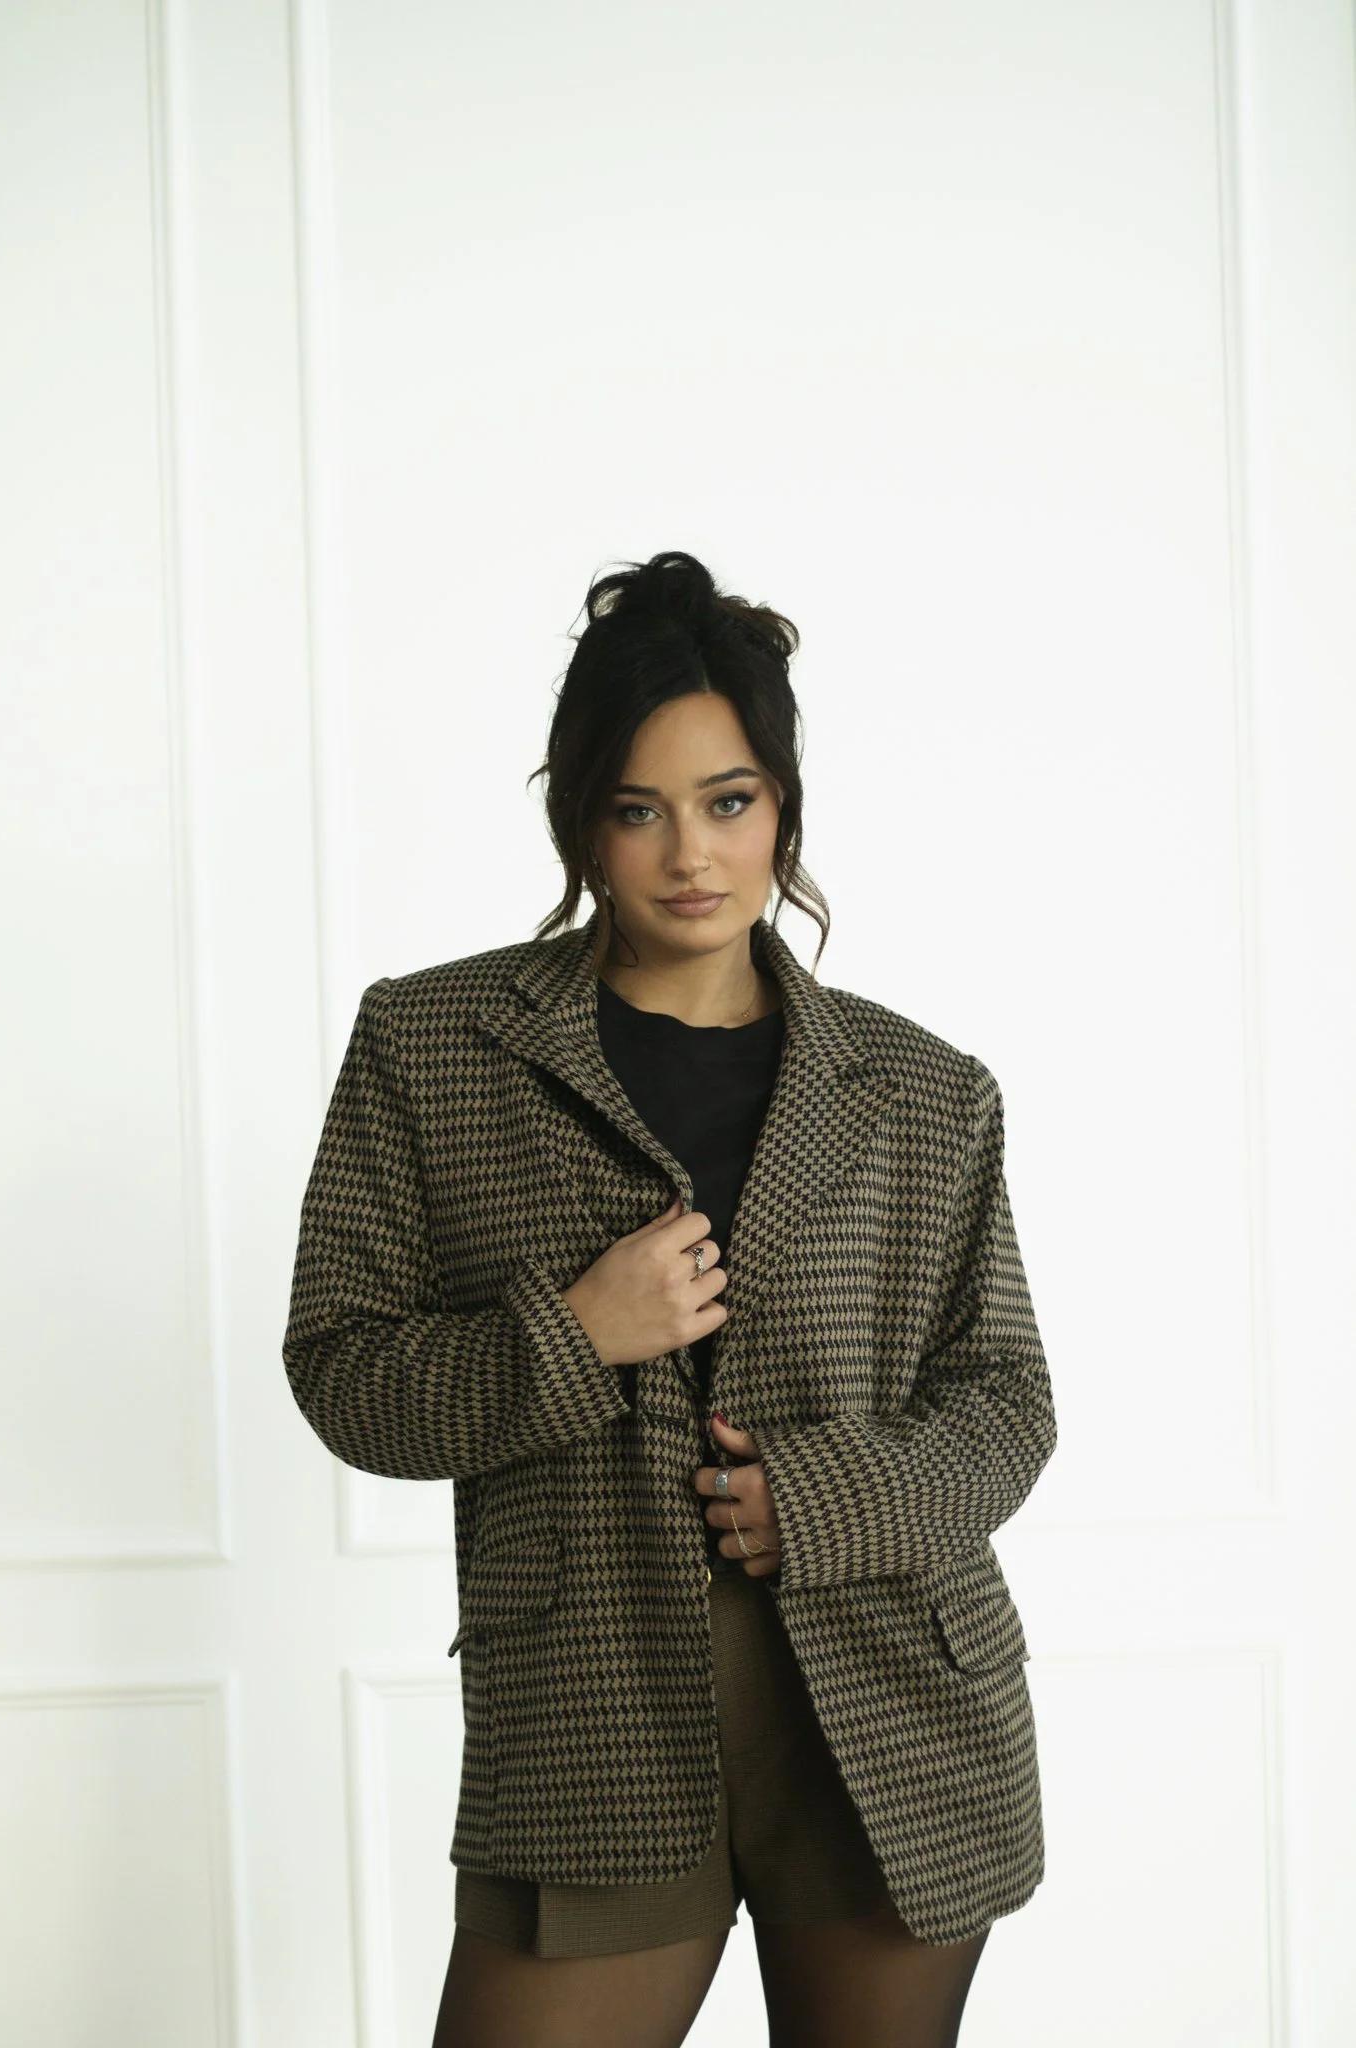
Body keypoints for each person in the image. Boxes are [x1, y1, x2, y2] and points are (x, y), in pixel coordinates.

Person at [282, 550, 1057, 2048]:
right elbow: (343, 1371)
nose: (690, 854)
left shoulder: (924, 1089)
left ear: (783, 807)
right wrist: (574, 1336)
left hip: (893, 1703)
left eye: (729, 801)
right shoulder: (433, 1046)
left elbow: (1009, 1404)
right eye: (639, 810)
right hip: (590, 1712)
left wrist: (818, 1498)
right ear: (581, 819)